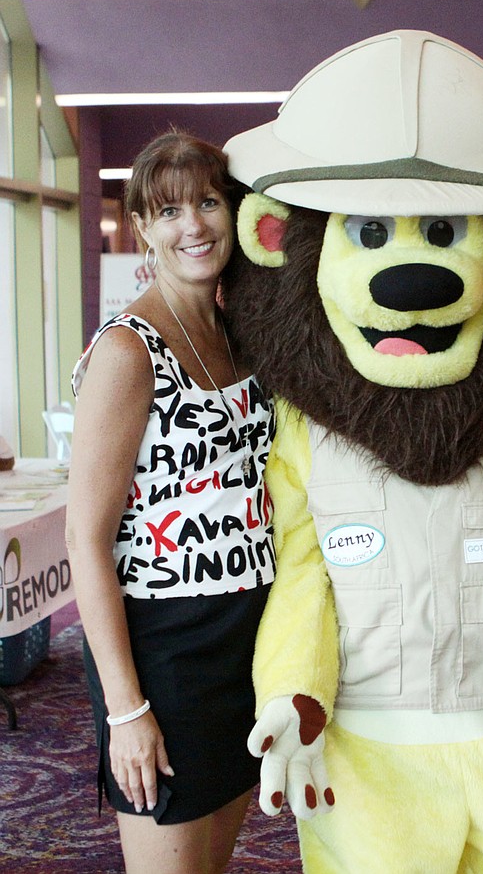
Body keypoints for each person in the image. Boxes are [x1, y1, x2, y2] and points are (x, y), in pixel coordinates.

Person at [65, 130, 276, 874]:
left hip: (246, 639)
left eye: (210, 202)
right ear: (144, 229)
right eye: (169, 210)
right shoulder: (129, 351)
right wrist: (127, 708)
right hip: (165, 650)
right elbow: (84, 539)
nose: (194, 225)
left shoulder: (239, 336)